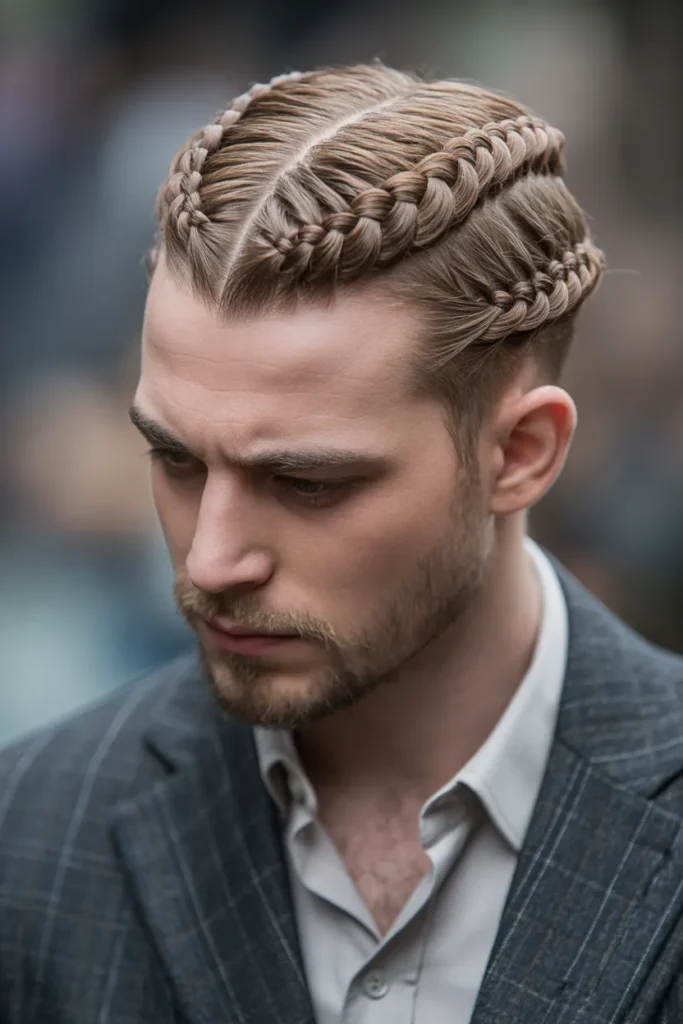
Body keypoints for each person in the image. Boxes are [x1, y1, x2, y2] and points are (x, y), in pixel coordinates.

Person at [1, 64, 683, 1024]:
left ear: (520, 453)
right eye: (175, 459)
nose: (210, 561)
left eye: (307, 483)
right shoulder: (31, 840)